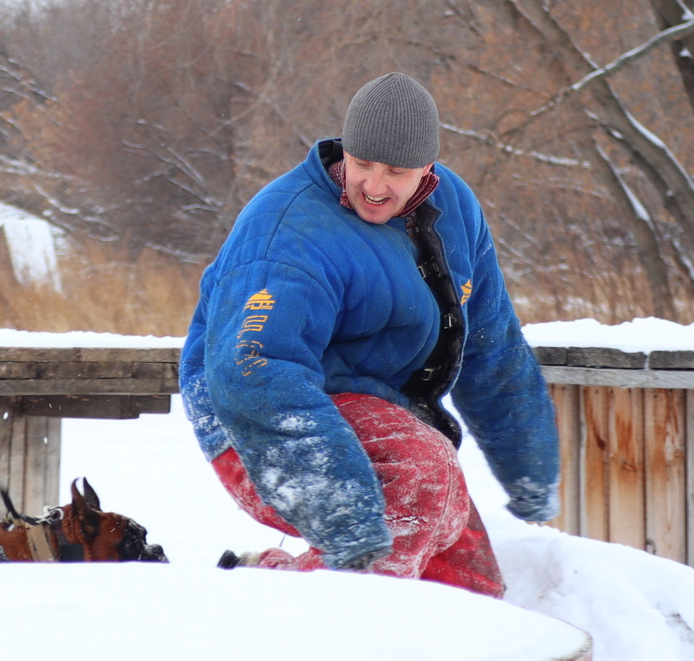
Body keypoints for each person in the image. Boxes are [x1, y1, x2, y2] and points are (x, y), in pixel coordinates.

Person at [179, 72, 559, 598]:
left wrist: (530, 471)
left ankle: (434, 657)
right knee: (414, 484)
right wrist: (341, 514)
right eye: (362, 165)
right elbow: (253, 369)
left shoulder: (456, 212)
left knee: (467, 581)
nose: (374, 186)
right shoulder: (288, 233)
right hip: (255, 417)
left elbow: (491, 346)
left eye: (396, 171)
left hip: (384, 415)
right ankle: (327, 634)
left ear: (428, 168)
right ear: (344, 152)